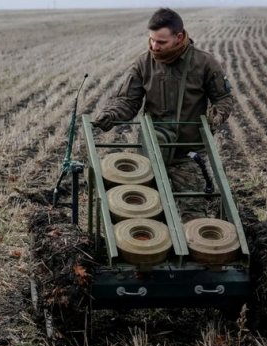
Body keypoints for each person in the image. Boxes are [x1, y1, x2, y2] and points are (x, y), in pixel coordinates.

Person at [93, 8, 233, 221]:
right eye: (151, 40)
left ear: (179, 37)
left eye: (161, 42)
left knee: (193, 215)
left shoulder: (204, 63)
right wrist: (111, 115)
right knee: (144, 214)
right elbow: (128, 101)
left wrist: (218, 115)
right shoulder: (143, 63)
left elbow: (223, 98)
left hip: (188, 154)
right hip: (152, 151)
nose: (154, 47)